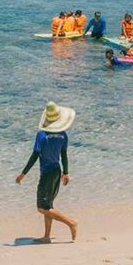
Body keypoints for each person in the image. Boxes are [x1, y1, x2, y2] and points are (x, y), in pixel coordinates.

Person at [15, 102, 78, 243]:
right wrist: (66, 172)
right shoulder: (63, 135)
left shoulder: (42, 135)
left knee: (41, 207)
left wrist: (23, 173)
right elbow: (64, 155)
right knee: (48, 205)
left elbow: (35, 155)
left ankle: (71, 223)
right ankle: (47, 236)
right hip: (57, 171)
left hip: (47, 174)